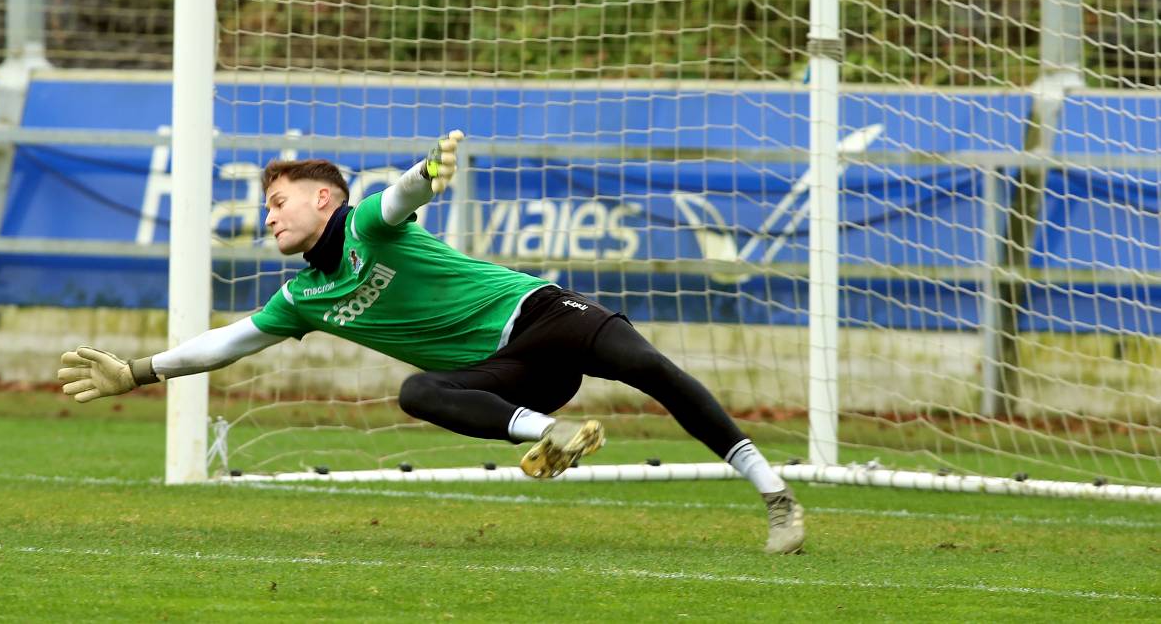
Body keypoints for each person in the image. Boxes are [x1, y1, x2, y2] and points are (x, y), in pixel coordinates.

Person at [57, 131, 806, 554]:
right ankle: (553, 436)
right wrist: (136, 371)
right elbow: (227, 344)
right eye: (265, 209)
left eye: (277, 203)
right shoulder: (302, 298)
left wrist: (424, 173)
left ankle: (774, 497)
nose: (268, 220)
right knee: (418, 391)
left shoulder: (362, 224)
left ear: (324, 199)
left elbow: (398, 199)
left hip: (543, 314)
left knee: (649, 368)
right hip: (508, 376)